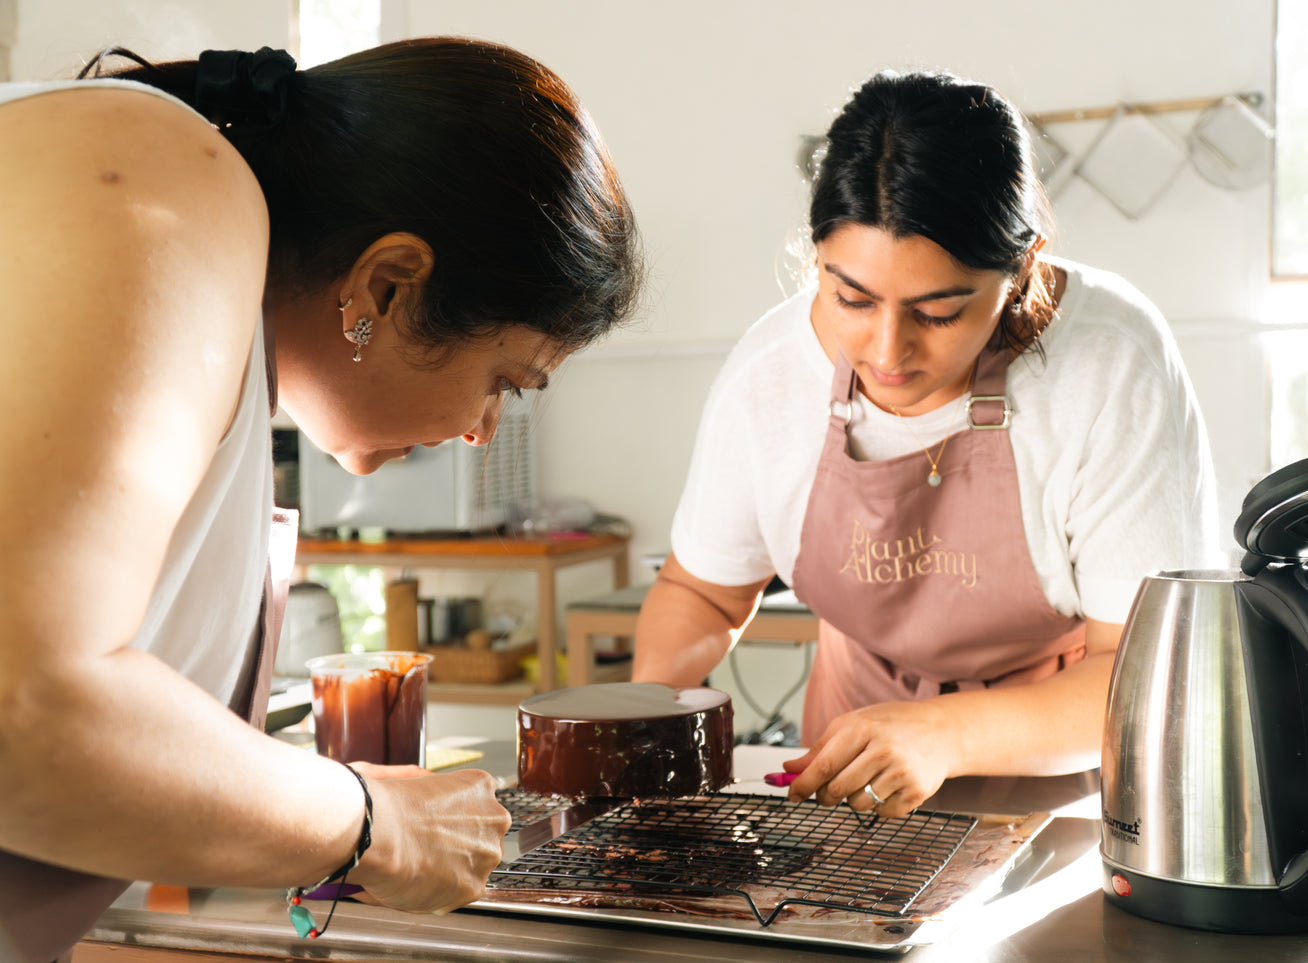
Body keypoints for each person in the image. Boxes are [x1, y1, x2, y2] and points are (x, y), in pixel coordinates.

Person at [0, 37, 640, 962]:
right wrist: (372, 818)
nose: (481, 428)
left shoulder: (217, 281)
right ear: (386, 283)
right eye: (506, 379)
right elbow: (26, 700)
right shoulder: (165, 179)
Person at [632, 71, 1217, 818]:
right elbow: (702, 592)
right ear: (816, 260)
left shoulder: (1106, 361)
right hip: (851, 766)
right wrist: (646, 714)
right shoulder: (769, 376)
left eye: (938, 311)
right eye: (850, 298)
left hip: (1066, 762)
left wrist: (942, 735)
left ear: (1020, 268)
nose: (886, 350)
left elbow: (1151, 676)